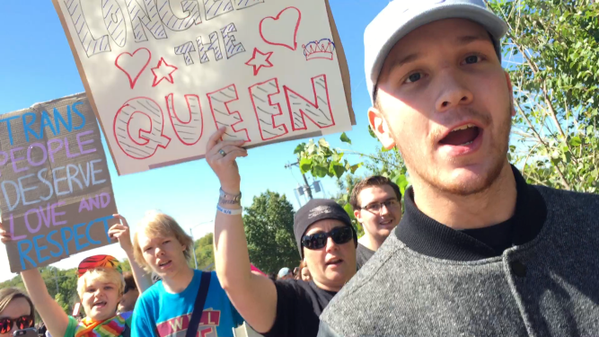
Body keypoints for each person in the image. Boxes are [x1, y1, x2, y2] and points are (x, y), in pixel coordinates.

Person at [318, 0, 599, 336]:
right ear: (382, 127)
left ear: (508, 90)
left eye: (471, 58)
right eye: (414, 76)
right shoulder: (354, 325)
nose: (453, 93)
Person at [206, 128, 358, 337]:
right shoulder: (295, 301)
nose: (331, 245)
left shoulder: (383, 284)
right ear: (302, 255)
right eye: (315, 240)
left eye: (340, 235)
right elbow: (235, 282)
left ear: (354, 241)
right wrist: (229, 187)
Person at [0, 214, 150, 337]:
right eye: (90, 290)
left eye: (108, 287)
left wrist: (128, 248)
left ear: (119, 296)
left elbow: (149, 293)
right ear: (81, 298)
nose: (99, 293)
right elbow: (41, 299)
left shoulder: (134, 322)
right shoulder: (69, 331)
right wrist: (19, 247)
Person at [131, 211, 244, 337]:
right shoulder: (147, 304)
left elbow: (258, 325)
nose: (158, 251)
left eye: (165, 242)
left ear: (182, 243)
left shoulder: (221, 283)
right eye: (148, 248)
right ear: (142, 257)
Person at [350, 176, 402, 268]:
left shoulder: (420, 246)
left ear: (400, 205)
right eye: (373, 206)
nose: (385, 212)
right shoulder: (351, 262)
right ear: (359, 215)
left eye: (390, 203)